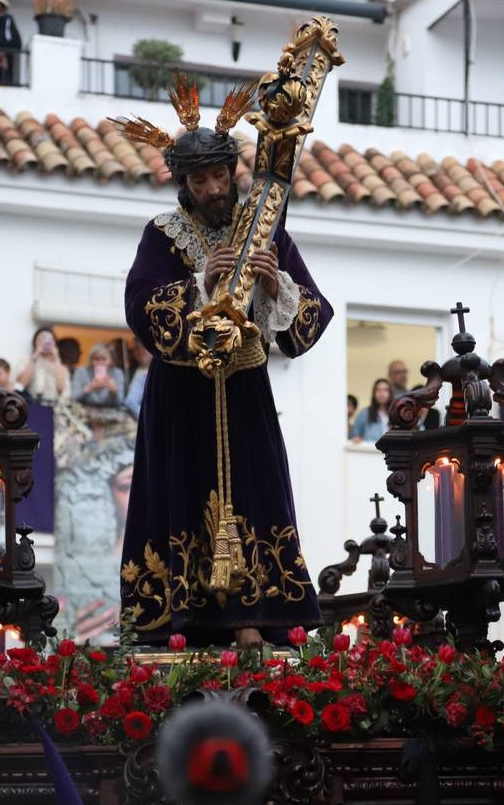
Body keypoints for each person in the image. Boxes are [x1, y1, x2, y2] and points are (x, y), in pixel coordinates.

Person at [116, 90, 331, 650]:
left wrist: (272, 283)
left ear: (234, 171)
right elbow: (142, 308)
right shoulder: (162, 233)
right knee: (180, 496)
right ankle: (180, 624)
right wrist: (198, 286)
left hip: (244, 391)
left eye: (218, 175)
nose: (212, 190)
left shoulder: (265, 229)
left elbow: (310, 318)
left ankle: (256, 618)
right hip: (180, 400)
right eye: (199, 181)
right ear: (182, 184)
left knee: (257, 494)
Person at [16, 327, 70, 404]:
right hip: (31, 404)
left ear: (54, 343)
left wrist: (57, 358)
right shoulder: (26, 360)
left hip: (53, 406)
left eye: (49, 339)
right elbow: (21, 384)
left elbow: (61, 388)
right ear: (35, 342)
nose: (45, 342)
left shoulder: (60, 365)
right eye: (41, 339)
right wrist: (36, 355)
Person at [71, 343, 127, 408]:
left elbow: (120, 402)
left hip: (110, 412)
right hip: (85, 410)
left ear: (111, 360)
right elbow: (74, 397)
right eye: (96, 359)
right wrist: (89, 388)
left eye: (104, 359)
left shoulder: (117, 373)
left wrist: (114, 391)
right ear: (91, 360)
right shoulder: (81, 371)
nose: (100, 362)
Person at [388, 358, 439, 429]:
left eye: (404, 371)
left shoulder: (412, 395)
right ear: (390, 375)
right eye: (398, 372)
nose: (403, 375)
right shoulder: (386, 397)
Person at [350, 378, 391, 443]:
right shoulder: (365, 413)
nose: (381, 393)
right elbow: (354, 434)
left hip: (391, 451)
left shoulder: (395, 414)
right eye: (378, 390)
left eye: (385, 390)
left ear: (390, 393)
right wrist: (356, 439)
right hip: (371, 451)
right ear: (374, 393)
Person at [123, 341, 153, 419]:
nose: (140, 351)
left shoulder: (158, 373)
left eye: (144, 348)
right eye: (137, 349)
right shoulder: (127, 372)